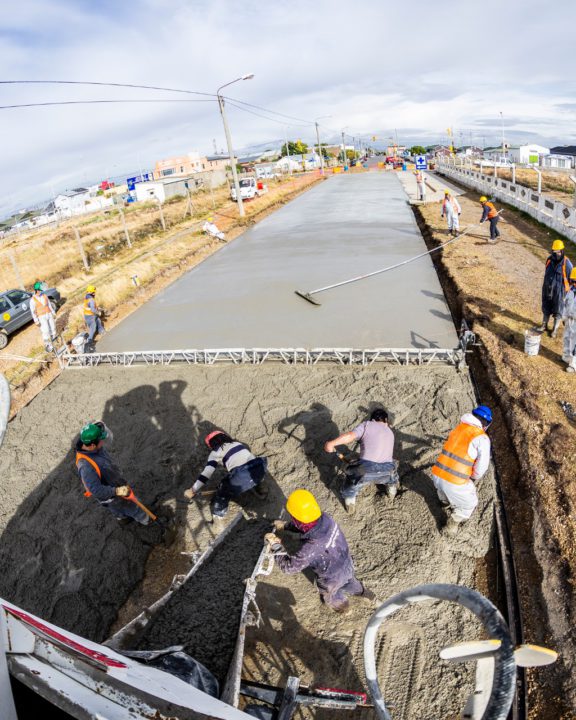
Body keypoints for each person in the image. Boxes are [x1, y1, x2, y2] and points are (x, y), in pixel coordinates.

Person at [265, 489, 374, 613]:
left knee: (331, 595)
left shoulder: (311, 547)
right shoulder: (326, 518)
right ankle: (366, 594)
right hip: (347, 563)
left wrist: (275, 546)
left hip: (330, 579)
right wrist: (285, 526)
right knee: (350, 581)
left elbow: (289, 568)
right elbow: (306, 525)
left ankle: (342, 607)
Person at [431, 406, 492, 536]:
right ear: (486, 424)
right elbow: (481, 468)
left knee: (444, 491)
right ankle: (451, 526)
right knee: (469, 504)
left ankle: (444, 502)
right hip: (454, 481)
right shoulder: (482, 438)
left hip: (437, 474)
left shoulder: (458, 428)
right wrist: (473, 476)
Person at [75, 422, 151, 526]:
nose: (103, 442)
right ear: (92, 445)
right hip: (111, 495)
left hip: (112, 484)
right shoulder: (86, 467)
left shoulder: (93, 448)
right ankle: (147, 520)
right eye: (101, 440)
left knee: (117, 508)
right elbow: (96, 490)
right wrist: (117, 491)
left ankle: (122, 518)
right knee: (132, 507)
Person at [324, 408, 399, 513]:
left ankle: (350, 501)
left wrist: (331, 443)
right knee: (393, 470)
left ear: (372, 419)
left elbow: (350, 436)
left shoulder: (367, 425)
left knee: (351, 483)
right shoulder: (390, 432)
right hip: (387, 471)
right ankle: (392, 490)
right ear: (386, 420)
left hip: (365, 471)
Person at [184, 430, 268, 519]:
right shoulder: (237, 444)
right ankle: (262, 489)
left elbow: (206, 473)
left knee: (222, 492)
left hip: (241, 475)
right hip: (260, 466)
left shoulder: (215, 453)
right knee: (255, 474)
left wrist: (193, 489)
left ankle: (218, 515)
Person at [539, 240, 573, 338]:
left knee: (558, 310)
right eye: (555, 252)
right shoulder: (549, 260)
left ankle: (554, 330)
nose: (557, 254)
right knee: (546, 306)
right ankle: (544, 325)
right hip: (547, 288)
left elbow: (572, 281)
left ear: (562, 251)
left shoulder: (567, 264)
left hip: (560, 291)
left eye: (559, 252)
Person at [30, 281, 57, 351]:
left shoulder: (44, 295)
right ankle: (48, 346)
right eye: (39, 290)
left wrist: (53, 313)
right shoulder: (32, 300)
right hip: (41, 317)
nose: (40, 291)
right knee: (46, 331)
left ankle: (54, 342)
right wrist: (36, 321)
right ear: (36, 290)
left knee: (53, 328)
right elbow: (33, 312)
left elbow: (49, 305)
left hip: (49, 314)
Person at [562, 267, 576, 372]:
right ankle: (566, 357)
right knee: (566, 338)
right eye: (572, 281)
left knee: (575, 343)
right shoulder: (571, 291)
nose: (574, 283)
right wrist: (564, 316)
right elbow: (565, 304)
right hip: (569, 319)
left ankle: (573, 364)